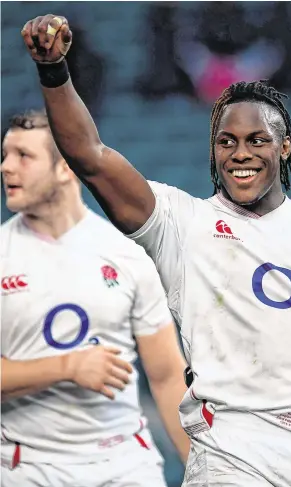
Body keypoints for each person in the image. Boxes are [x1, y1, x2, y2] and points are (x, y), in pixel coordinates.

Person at [19, 14, 291, 487]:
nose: (241, 154)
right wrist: (54, 72)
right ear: (213, 150)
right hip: (226, 462)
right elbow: (89, 155)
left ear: (286, 148)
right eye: (226, 142)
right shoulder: (181, 222)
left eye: (258, 140)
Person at [1, 109, 190, 487]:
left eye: (23, 156)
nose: (6, 167)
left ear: (66, 167)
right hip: (28, 468)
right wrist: (68, 366)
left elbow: (168, 377)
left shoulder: (128, 252)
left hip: (125, 465)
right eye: (5, 154)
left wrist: (204, 470)